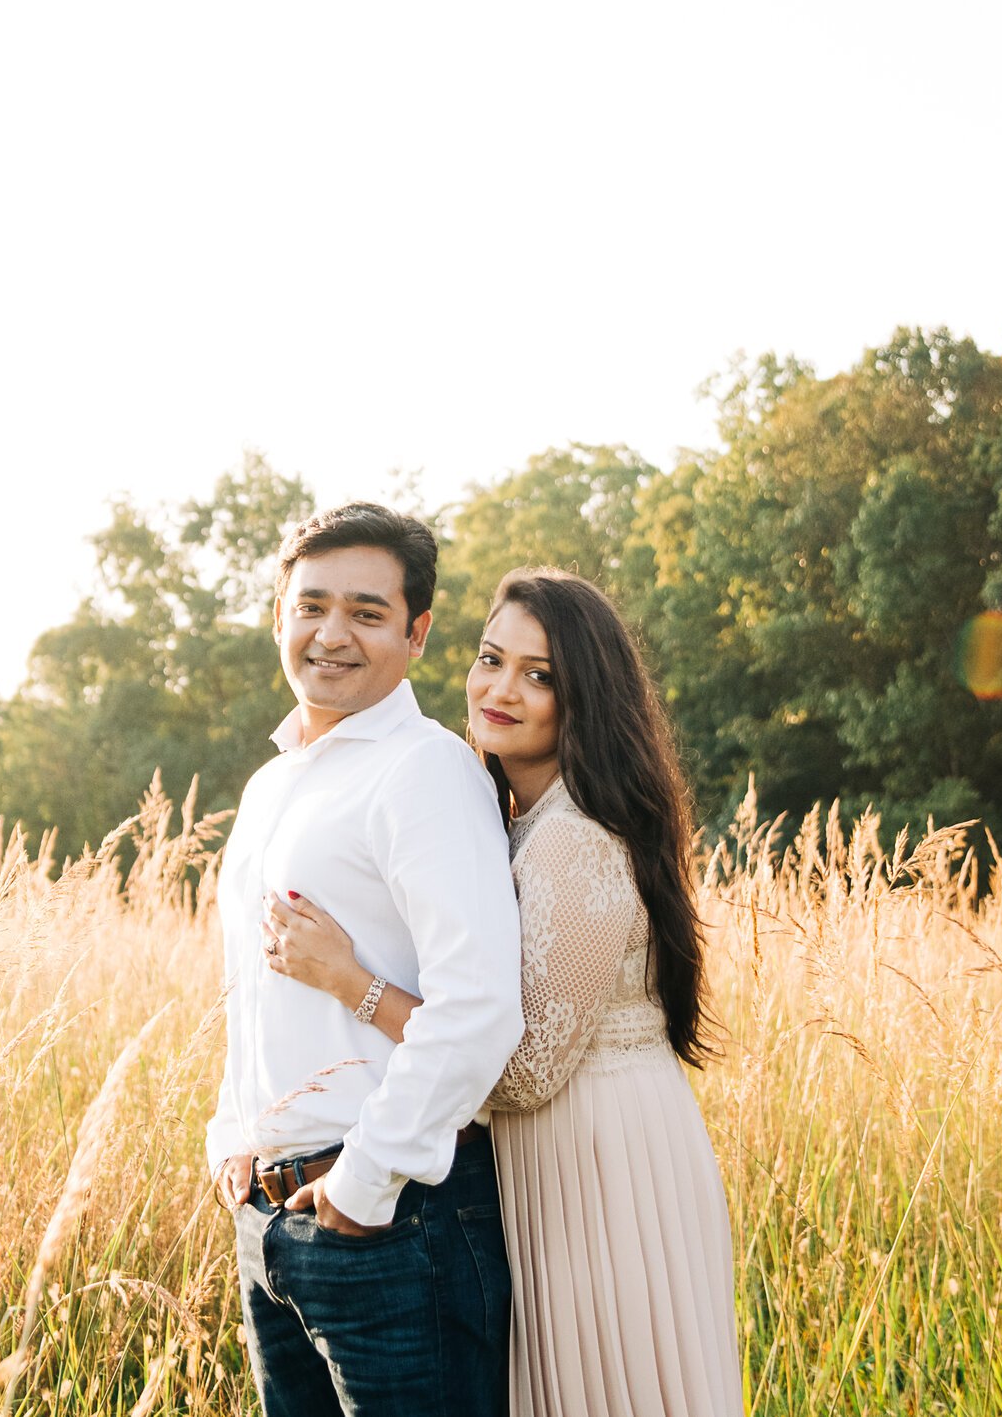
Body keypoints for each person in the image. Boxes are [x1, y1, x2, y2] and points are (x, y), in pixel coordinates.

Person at [265, 566, 743, 1417]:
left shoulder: (575, 839)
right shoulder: (516, 820)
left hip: (600, 1162)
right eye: (492, 659)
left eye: (541, 675)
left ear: (584, 698)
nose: (501, 689)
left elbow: (521, 1071)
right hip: (553, 1155)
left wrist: (354, 982)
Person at [207, 502, 525, 1417]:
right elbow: (250, 987)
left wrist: (364, 1182)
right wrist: (236, 1134)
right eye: (311, 606)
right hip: (270, 1219)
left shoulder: (424, 771)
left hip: (395, 1218)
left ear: (417, 633)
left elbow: (478, 1009)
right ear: (279, 616)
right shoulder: (272, 786)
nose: (332, 635)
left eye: (367, 612)